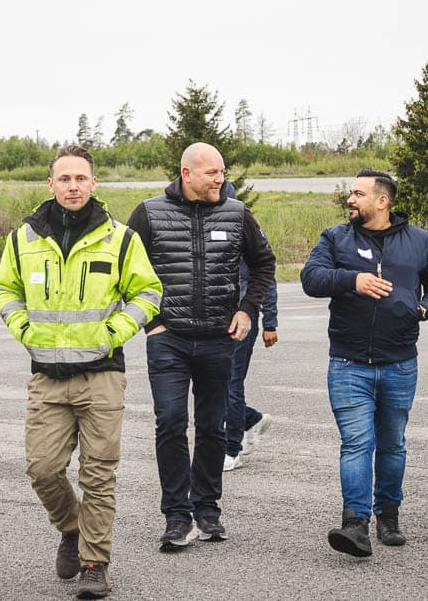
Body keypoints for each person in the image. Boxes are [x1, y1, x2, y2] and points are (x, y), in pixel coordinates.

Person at [0, 145, 161, 599]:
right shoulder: (23, 239)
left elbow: (148, 293)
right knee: (42, 470)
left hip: (102, 374)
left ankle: (94, 563)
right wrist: (22, 326)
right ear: (50, 184)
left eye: (80, 178)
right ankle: (71, 528)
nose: (72, 186)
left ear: (93, 183)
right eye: (64, 179)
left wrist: (114, 332)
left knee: (98, 475)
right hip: (46, 376)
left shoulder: (120, 238)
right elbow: (4, 288)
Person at [127, 142, 276, 551]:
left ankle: (207, 509)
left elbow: (264, 262)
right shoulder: (148, 213)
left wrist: (247, 309)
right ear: (187, 173)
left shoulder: (237, 213)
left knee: (213, 426)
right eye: (212, 173)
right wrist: (151, 322)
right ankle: (177, 516)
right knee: (171, 422)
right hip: (168, 340)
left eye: (223, 171)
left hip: (218, 339)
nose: (220, 179)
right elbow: (124, 270)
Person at [301, 168, 428, 558]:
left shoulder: (419, 241)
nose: (350, 200)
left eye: (358, 194)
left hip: (400, 363)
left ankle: (389, 514)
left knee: (391, 445)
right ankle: (355, 524)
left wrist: (425, 308)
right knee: (356, 443)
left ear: (382, 201)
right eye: (350, 193)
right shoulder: (336, 237)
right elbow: (311, 278)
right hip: (348, 363)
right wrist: (353, 280)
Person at [223, 260, 278, 471]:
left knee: (232, 383)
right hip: (213, 318)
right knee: (213, 385)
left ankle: (231, 450)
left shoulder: (246, 228)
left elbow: (266, 278)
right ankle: (251, 418)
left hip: (242, 318)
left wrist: (270, 323)